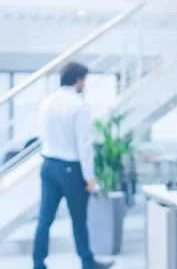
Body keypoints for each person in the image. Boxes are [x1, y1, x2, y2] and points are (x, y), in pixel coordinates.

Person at [33, 62, 113, 269]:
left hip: (48, 164)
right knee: (78, 218)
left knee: (45, 218)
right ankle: (87, 262)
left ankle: (38, 263)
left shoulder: (48, 102)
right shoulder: (79, 104)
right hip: (71, 168)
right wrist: (90, 177)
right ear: (78, 80)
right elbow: (84, 145)